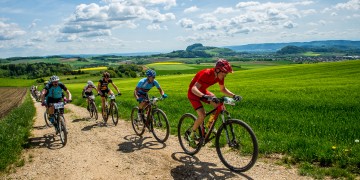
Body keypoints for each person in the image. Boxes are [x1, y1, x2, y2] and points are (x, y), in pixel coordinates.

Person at [187, 59, 241, 147]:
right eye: (224, 73)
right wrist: (203, 96)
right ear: (217, 70)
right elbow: (193, 89)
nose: (225, 75)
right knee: (202, 115)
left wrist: (234, 95)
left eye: (226, 73)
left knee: (219, 105)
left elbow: (223, 89)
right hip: (193, 93)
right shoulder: (206, 73)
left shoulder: (220, 76)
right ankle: (191, 135)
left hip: (203, 92)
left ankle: (209, 125)